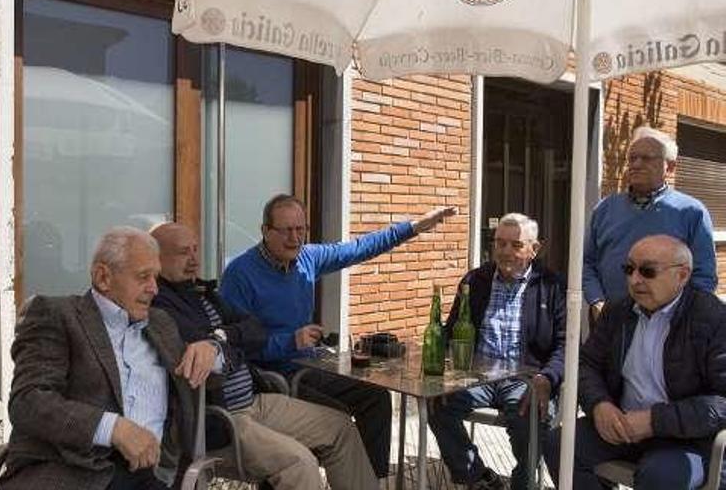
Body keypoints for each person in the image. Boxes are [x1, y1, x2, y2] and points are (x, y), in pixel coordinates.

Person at [220, 193, 456, 478]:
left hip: (309, 368)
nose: (295, 238)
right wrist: (290, 341)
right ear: (265, 231)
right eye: (285, 230)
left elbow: (359, 248)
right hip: (271, 380)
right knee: (341, 419)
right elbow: (235, 346)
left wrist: (415, 227)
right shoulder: (240, 274)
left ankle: (372, 481)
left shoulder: (307, 257)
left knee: (376, 397)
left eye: (301, 230)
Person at [150, 222, 378, 490]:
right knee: (299, 462)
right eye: (182, 252)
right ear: (156, 259)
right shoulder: (158, 305)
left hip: (254, 400)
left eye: (195, 250)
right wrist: (229, 341)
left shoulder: (203, 294)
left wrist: (220, 338)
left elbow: (254, 329)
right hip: (221, 418)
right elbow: (208, 358)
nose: (193, 260)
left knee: (340, 429)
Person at [0, 227, 220, 490]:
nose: (154, 289)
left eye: (156, 277)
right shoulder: (57, 314)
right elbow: (28, 402)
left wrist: (212, 348)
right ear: (103, 277)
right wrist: (114, 429)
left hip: (150, 475)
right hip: (71, 472)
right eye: (143, 277)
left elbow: (211, 375)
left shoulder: (160, 323)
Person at [547, 234, 726, 490]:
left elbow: (722, 402)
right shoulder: (618, 311)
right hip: (622, 425)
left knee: (659, 477)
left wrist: (654, 421)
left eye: (648, 271)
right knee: (559, 443)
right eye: (629, 269)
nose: (635, 280)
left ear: (683, 275)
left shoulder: (713, 318)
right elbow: (587, 364)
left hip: (685, 439)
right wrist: (600, 405)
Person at [428, 214, 565, 490]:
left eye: (515, 245)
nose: (505, 252)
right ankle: (478, 477)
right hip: (477, 375)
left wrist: (547, 378)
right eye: (500, 243)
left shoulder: (552, 286)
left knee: (529, 418)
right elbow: (452, 328)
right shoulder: (476, 280)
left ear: (534, 249)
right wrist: (437, 364)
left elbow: (566, 345)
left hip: (526, 378)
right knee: (437, 403)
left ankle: (523, 484)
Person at [583, 126, 717, 324]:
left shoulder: (691, 212)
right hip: (609, 321)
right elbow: (587, 263)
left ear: (669, 167)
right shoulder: (605, 209)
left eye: (646, 158)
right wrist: (596, 300)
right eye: (632, 158)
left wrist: (680, 318)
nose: (636, 164)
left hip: (668, 326)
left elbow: (704, 277)